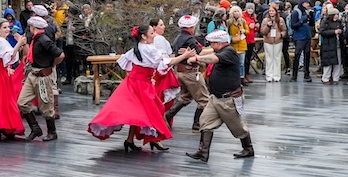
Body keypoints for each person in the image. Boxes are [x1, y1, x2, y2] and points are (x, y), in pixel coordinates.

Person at [88, 23, 195, 152]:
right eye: (152, 33)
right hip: (141, 85)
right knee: (151, 110)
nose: (154, 35)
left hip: (133, 83)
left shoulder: (137, 48)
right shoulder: (149, 49)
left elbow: (125, 62)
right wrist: (184, 56)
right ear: (144, 36)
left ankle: (131, 140)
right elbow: (167, 62)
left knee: (138, 112)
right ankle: (153, 139)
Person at [185, 29, 255, 163]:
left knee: (237, 127)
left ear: (218, 43)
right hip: (216, 97)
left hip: (228, 99)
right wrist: (193, 55)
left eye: (212, 43)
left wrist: (197, 58)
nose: (211, 45)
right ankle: (203, 151)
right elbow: (209, 54)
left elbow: (214, 58)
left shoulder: (229, 52)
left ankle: (248, 148)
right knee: (205, 121)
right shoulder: (221, 51)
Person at [17, 15, 63, 141]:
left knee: (46, 106)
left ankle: (52, 132)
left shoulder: (44, 40)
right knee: (22, 102)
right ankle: (35, 128)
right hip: (32, 74)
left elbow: (60, 55)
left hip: (43, 76)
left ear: (33, 27)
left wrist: (51, 65)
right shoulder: (35, 39)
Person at [165, 14, 211, 131]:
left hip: (181, 71)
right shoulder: (189, 39)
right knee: (204, 100)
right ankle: (197, 123)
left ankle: (168, 115)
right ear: (191, 27)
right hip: (190, 72)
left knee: (185, 97)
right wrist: (215, 49)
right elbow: (200, 52)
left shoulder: (178, 37)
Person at [289, 0, 314, 82]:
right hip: (299, 37)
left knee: (307, 55)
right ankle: (294, 75)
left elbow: (311, 24)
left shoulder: (307, 12)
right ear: (302, 3)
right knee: (297, 55)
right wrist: (302, 21)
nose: (308, 4)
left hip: (307, 36)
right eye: (306, 3)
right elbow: (293, 25)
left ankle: (307, 74)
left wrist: (311, 17)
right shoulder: (296, 12)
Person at [259, 4, 287, 82]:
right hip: (268, 41)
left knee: (277, 58)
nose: (271, 12)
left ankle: (276, 76)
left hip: (278, 41)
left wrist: (281, 35)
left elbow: (284, 30)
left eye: (272, 11)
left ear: (276, 12)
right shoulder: (265, 20)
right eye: (270, 11)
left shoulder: (281, 20)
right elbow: (262, 31)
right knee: (269, 58)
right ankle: (269, 75)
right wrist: (268, 26)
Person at [318, 6, 343, 84]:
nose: (336, 16)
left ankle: (336, 78)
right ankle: (326, 78)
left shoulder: (339, 22)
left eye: (337, 14)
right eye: (335, 14)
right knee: (328, 62)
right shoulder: (325, 22)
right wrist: (333, 32)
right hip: (328, 45)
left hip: (337, 44)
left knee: (338, 62)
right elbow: (322, 32)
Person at [227, 6, 250, 84]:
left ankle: (241, 77)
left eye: (238, 11)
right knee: (233, 63)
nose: (236, 13)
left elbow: (248, 31)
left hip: (242, 44)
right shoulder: (229, 22)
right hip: (233, 44)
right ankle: (233, 77)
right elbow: (227, 32)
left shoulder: (243, 21)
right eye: (235, 11)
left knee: (241, 63)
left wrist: (244, 31)